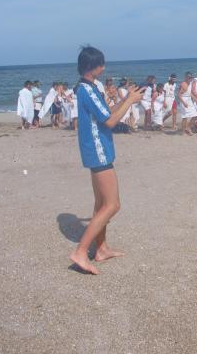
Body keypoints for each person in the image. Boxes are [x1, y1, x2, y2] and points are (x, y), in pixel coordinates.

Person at [69, 46, 145, 275]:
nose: (103, 68)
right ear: (91, 67)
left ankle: (101, 249)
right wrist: (130, 102)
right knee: (113, 205)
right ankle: (81, 252)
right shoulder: (87, 89)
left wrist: (126, 99)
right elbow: (111, 122)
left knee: (100, 204)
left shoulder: (89, 87)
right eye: (100, 65)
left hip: (95, 151)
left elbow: (107, 112)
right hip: (98, 151)